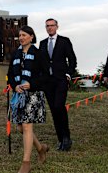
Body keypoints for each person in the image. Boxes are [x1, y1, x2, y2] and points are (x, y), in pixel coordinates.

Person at [7, 26, 50, 173]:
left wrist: (32, 84)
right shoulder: (15, 54)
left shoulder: (40, 54)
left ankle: (26, 163)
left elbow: (46, 76)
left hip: (33, 94)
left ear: (31, 37)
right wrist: (14, 86)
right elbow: (10, 75)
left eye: (24, 35)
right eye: (20, 35)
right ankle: (41, 148)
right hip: (19, 95)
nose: (21, 38)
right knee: (20, 128)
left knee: (26, 126)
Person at [38, 18, 77, 151]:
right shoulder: (42, 43)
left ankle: (67, 138)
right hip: (47, 82)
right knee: (54, 110)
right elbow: (41, 63)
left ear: (57, 26)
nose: (49, 28)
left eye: (52, 25)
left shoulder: (64, 41)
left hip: (61, 79)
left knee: (59, 106)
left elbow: (72, 59)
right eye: (47, 26)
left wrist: (68, 75)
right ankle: (61, 139)